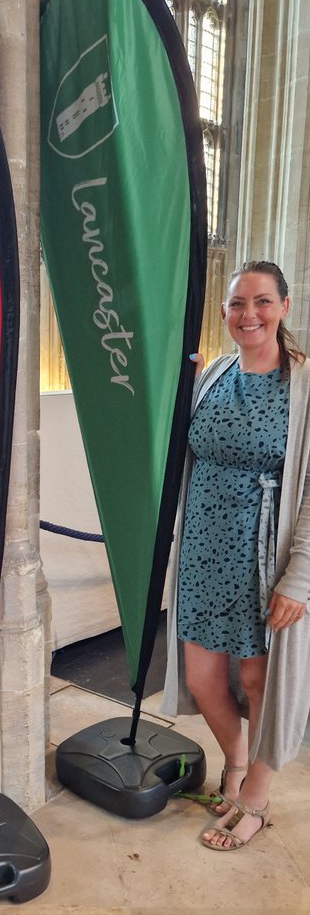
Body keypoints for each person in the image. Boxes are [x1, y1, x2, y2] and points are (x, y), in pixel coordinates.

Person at [161, 260, 310, 851]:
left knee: (257, 679)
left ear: (285, 307)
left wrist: (299, 580)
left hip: (263, 555)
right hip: (201, 547)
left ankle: (255, 797)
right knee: (203, 679)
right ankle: (236, 759)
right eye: (237, 304)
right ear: (223, 313)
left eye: (262, 301)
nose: (249, 314)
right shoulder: (215, 371)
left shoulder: (303, 386)